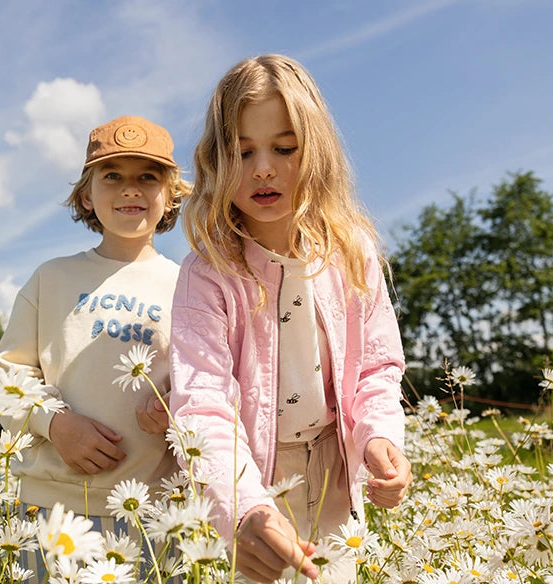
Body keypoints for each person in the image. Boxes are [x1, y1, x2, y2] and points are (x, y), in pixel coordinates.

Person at [169, 54, 412, 583]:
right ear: (216, 161)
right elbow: (202, 400)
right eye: (242, 151)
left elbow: (376, 367)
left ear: (318, 152)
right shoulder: (208, 272)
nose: (262, 168)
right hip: (248, 477)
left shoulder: (353, 251)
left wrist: (377, 438)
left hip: (334, 475)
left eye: (284, 148)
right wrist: (243, 507)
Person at [0, 115, 191, 580]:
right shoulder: (51, 278)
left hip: (154, 513)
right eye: (112, 176)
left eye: (148, 176)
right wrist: (56, 423)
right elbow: (8, 377)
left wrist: (178, 409)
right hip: (52, 508)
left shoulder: (189, 287)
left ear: (170, 196)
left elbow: (210, 381)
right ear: (86, 195)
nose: (130, 189)